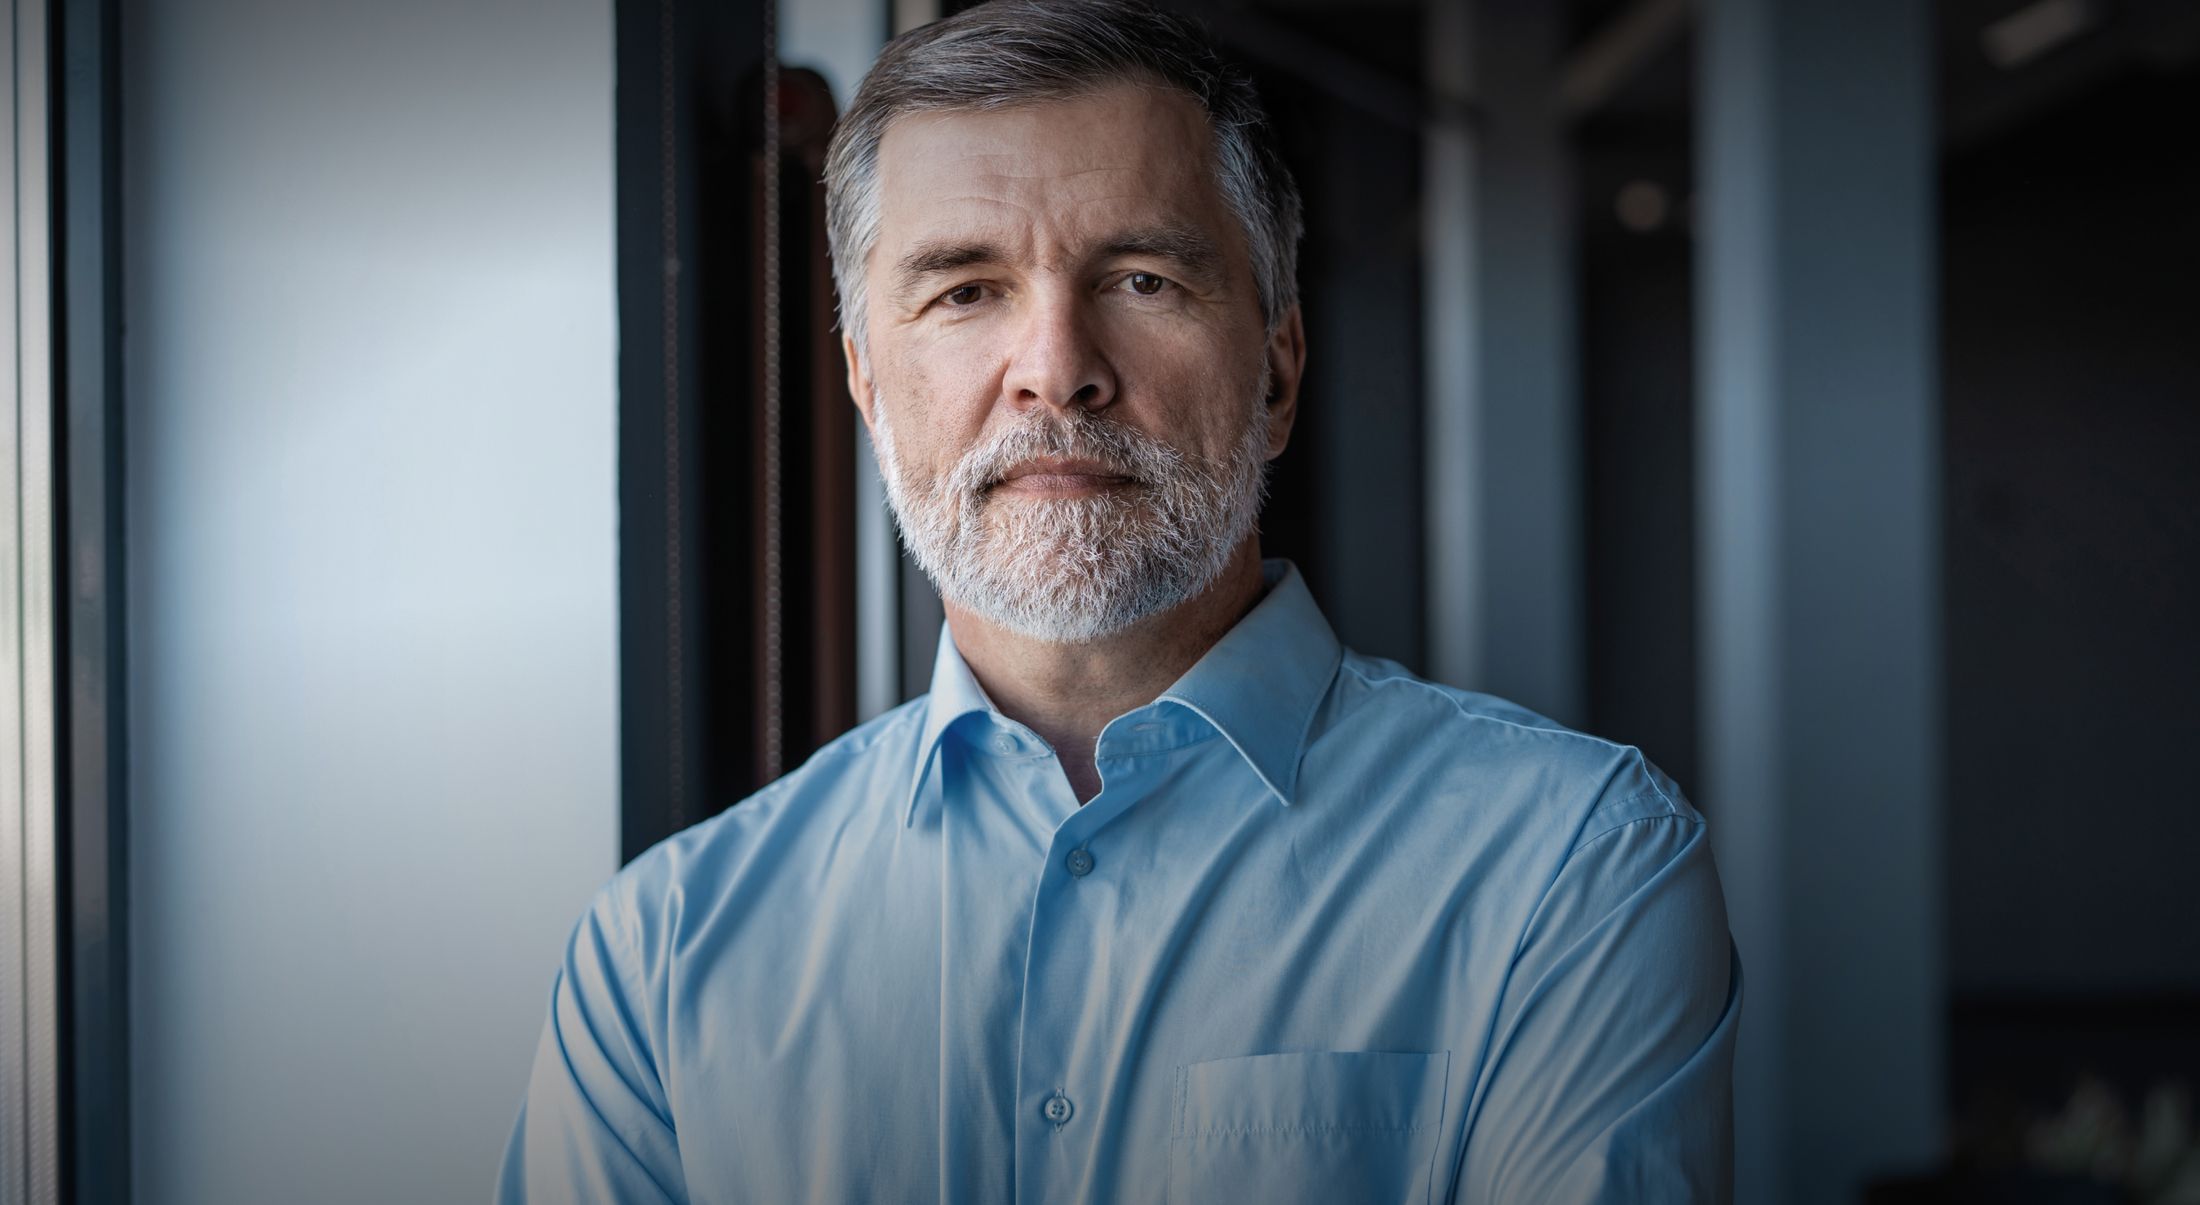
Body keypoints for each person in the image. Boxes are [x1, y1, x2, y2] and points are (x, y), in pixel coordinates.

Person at [497, 1, 1739, 1201]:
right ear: (869, 386)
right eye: (964, 290)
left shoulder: (1571, 869)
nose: (1055, 370)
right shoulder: (659, 957)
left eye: (1142, 279)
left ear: (1279, 371)